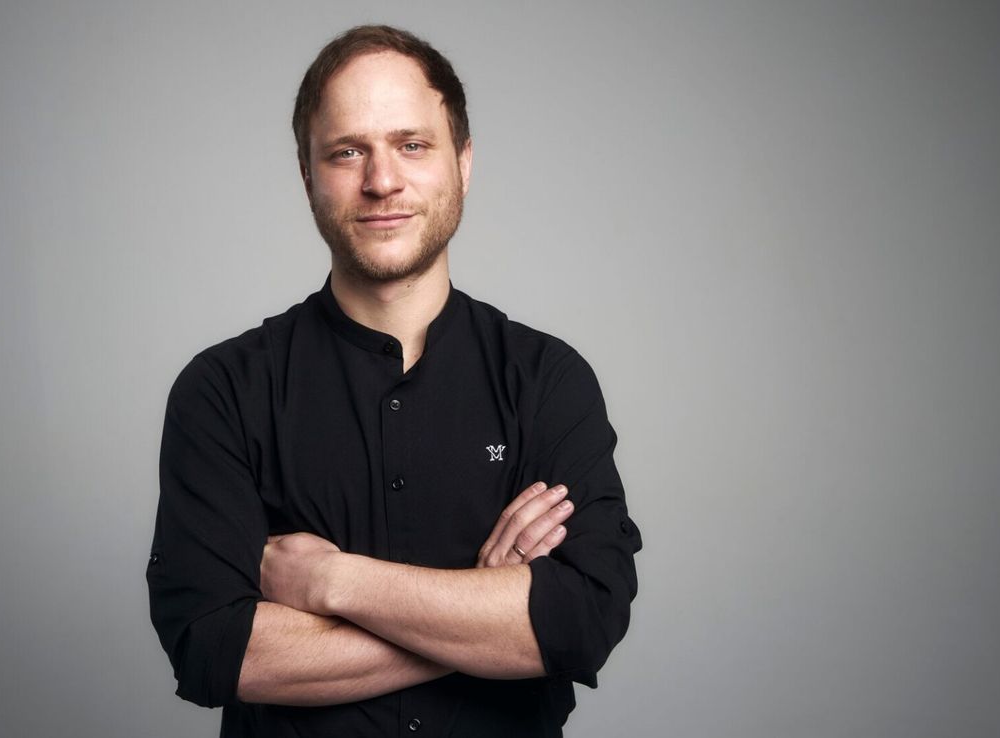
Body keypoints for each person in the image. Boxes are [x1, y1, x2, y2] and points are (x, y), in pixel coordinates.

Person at [147, 24, 642, 737]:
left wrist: (332, 582)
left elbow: (583, 621)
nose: (382, 181)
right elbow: (214, 652)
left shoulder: (547, 381)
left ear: (463, 164)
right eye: (348, 152)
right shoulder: (224, 389)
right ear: (306, 174)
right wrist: (485, 613)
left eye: (413, 145)